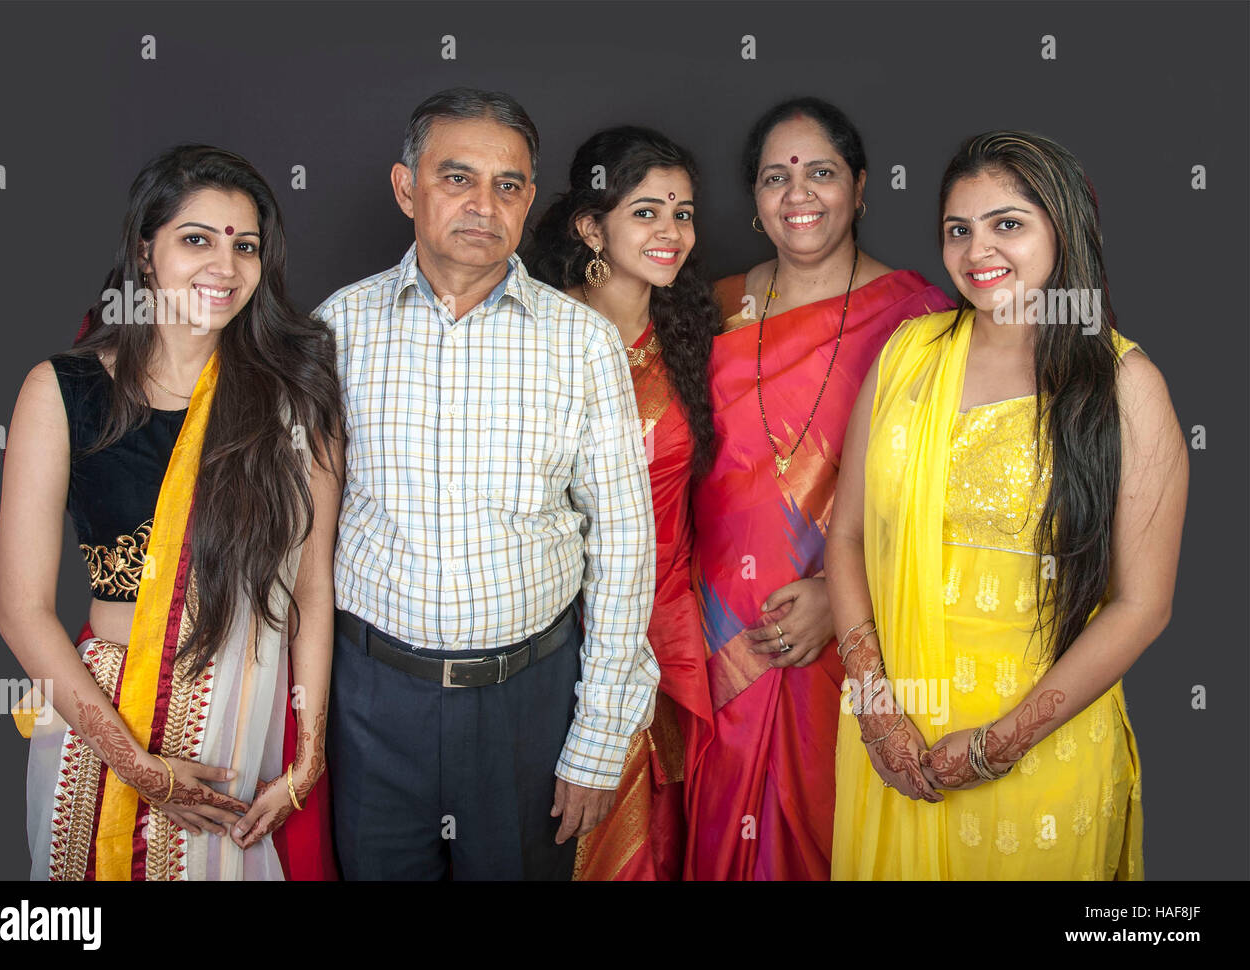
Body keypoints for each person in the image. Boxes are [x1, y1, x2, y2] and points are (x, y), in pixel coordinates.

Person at [315, 88, 658, 880]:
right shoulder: (337, 329)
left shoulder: (582, 344)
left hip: (528, 703)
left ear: (530, 199)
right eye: (457, 178)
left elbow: (626, 546)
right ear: (407, 188)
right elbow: (300, 533)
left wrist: (599, 737)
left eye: (508, 185)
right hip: (372, 701)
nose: (484, 204)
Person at [827, 130, 1187, 879]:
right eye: (958, 229)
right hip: (896, 742)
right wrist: (876, 711)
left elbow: (1143, 606)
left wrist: (1002, 742)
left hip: (1039, 752)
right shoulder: (906, 354)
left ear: (1062, 228)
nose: (976, 250)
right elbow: (849, 533)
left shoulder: (1123, 385)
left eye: (1007, 224)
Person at [0, 145, 345, 880]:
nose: (225, 266)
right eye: (197, 239)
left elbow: (313, 591)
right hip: (103, 721)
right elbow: (21, 611)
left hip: (244, 737)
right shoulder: (63, 391)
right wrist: (141, 768)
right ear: (143, 252)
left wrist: (308, 754)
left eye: (244, 246)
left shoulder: (295, 399)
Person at [687, 97, 950, 880]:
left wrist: (841, 602)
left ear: (861, 188)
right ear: (758, 203)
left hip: (850, 633)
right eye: (776, 177)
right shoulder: (715, 306)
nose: (798, 193)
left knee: (826, 835)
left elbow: (938, 496)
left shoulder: (920, 320)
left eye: (821, 172)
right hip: (718, 631)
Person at [525, 126, 717, 880]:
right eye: (647, 212)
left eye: (684, 213)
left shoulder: (695, 336)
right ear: (589, 225)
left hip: (672, 622)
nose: (672, 232)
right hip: (554, 630)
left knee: (662, 836)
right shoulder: (539, 336)